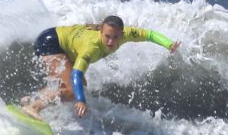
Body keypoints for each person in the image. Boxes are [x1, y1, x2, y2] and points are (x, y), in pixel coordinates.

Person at [21, 15, 181, 119]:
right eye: (107, 37)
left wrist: (168, 44)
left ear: (122, 34)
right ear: (101, 33)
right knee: (73, 91)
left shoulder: (126, 34)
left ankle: (30, 99)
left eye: (115, 37)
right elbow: (76, 74)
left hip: (64, 43)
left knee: (79, 86)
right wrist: (81, 101)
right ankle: (34, 107)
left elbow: (149, 34)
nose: (111, 42)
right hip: (51, 42)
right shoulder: (92, 47)